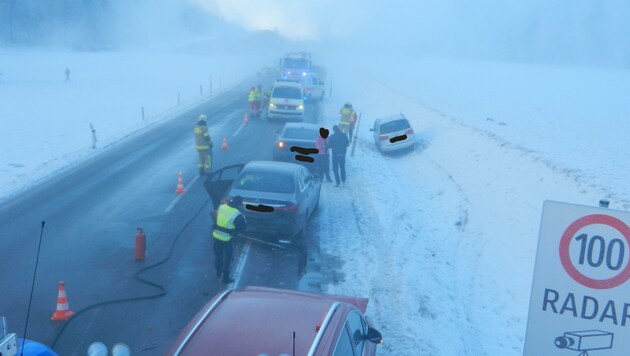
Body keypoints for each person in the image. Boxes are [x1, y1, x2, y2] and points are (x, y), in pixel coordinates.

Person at [212, 196, 247, 284]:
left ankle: (218, 272)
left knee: (218, 256)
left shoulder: (222, 207)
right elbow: (243, 227)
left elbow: (216, 217)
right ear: (239, 204)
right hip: (227, 238)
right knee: (228, 258)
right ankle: (225, 277)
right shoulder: (237, 214)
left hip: (216, 235)